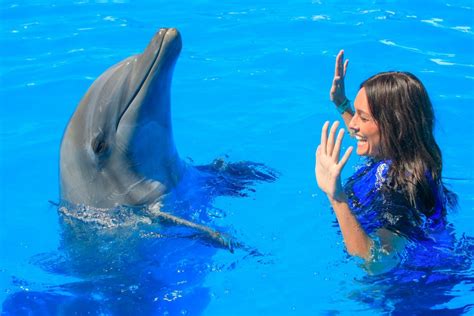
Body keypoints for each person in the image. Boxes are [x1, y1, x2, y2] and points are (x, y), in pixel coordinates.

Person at [315, 50, 457, 263]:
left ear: (394, 127)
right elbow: (372, 137)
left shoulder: (395, 187)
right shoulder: (409, 156)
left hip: (413, 287)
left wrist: (336, 198)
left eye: (363, 117)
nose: (353, 125)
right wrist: (342, 104)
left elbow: (377, 263)